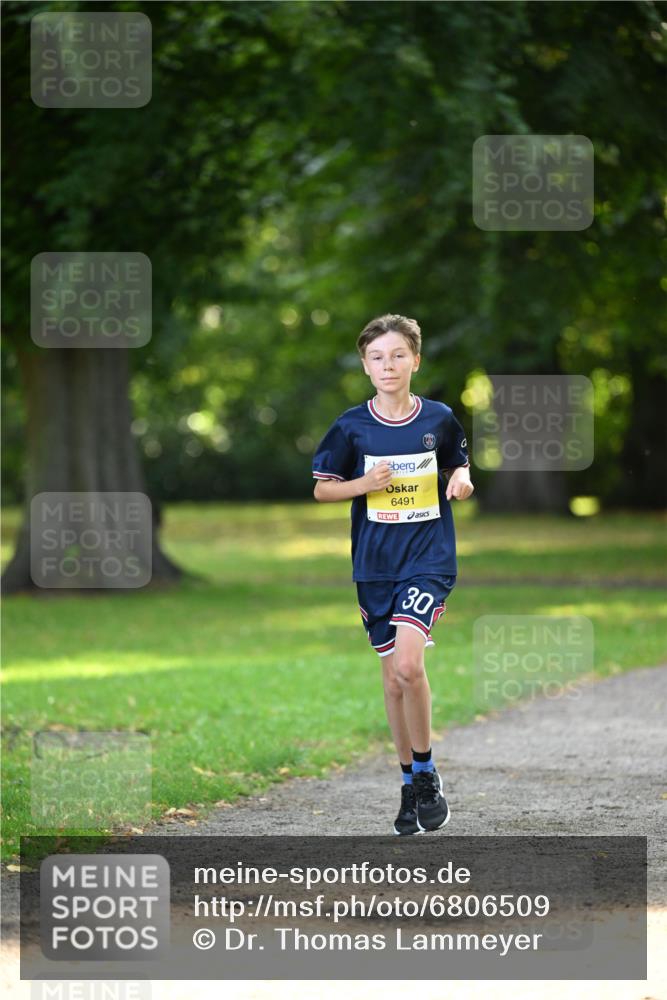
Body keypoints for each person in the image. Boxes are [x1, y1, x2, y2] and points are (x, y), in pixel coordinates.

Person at [312, 314, 474, 835]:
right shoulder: (351, 426)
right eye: (377, 357)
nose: (388, 365)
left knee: (408, 665)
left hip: (428, 558)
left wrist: (463, 478)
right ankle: (408, 784)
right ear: (365, 365)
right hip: (375, 565)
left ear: (415, 361)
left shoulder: (439, 418)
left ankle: (426, 773)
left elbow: (457, 462)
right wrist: (364, 484)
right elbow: (322, 488)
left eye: (398, 355)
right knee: (391, 678)